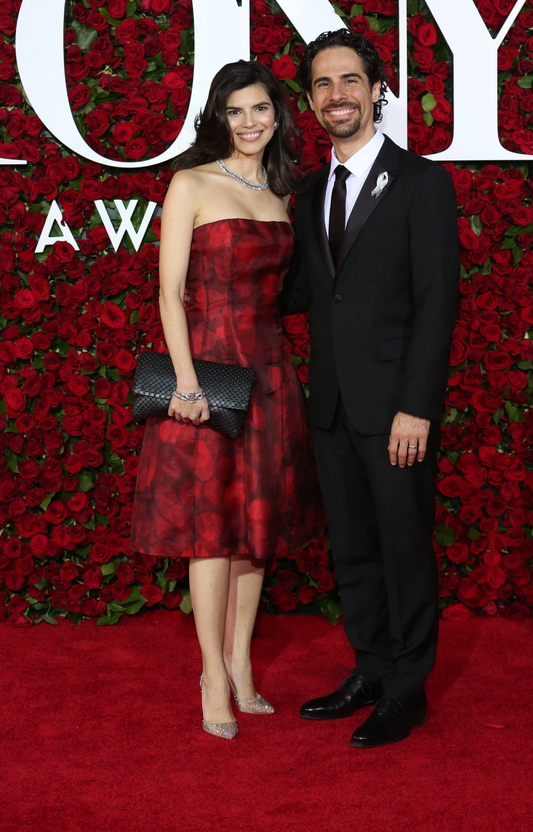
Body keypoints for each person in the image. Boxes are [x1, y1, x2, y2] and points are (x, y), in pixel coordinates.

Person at [130, 60, 322, 740]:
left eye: (260, 110)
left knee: (255, 532)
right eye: (236, 111)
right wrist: (185, 382)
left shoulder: (282, 196)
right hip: (207, 372)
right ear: (218, 117)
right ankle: (211, 674)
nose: (249, 122)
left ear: (277, 116)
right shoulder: (190, 184)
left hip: (270, 373)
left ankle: (242, 663)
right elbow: (168, 292)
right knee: (210, 533)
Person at [282, 29, 460, 748]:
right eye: (323, 86)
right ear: (311, 101)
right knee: (352, 548)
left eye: (349, 81)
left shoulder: (421, 182)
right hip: (329, 404)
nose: (337, 96)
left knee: (404, 547)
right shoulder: (310, 189)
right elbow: (303, 291)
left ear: (378, 89)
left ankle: (407, 691)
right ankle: (371, 668)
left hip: (396, 410)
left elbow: (437, 302)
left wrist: (417, 406)